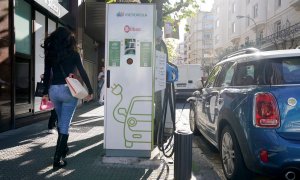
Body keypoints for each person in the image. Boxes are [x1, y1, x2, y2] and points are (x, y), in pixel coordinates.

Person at [42, 27, 93, 170]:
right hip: (69, 91)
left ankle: (63, 149)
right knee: (64, 124)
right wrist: (90, 90)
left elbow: (47, 74)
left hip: (54, 91)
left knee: (61, 121)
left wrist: (45, 92)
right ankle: (57, 160)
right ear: (69, 39)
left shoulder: (50, 53)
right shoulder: (74, 53)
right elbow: (82, 72)